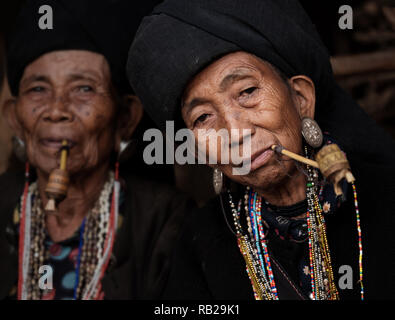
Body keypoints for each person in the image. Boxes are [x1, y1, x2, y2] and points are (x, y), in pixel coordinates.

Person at [127, 0, 395, 300]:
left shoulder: (383, 199)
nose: (235, 132)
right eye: (203, 117)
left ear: (300, 97)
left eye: (247, 92)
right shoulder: (200, 242)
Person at [0, 0, 192, 300]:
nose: (56, 110)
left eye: (84, 89)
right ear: (14, 117)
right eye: (38, 89)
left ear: (126, 117)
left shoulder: (168, 222)